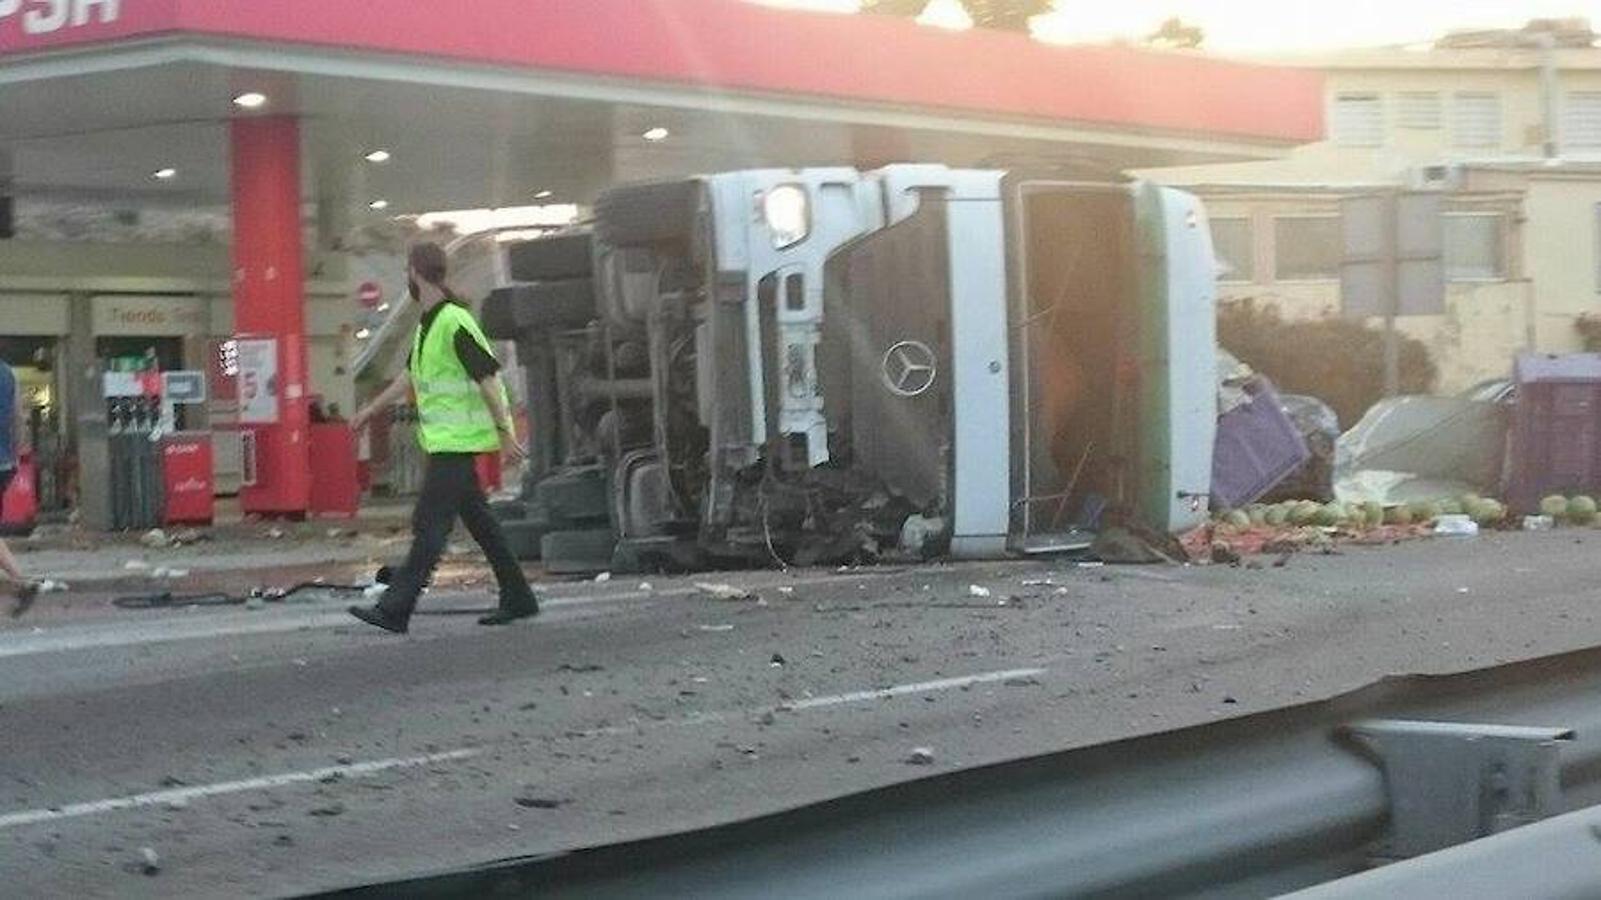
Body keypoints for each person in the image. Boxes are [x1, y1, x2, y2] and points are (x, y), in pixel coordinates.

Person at [346, 243, 541, 633]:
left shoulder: (454, 321)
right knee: (482, 523)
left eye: (408, 270)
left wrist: (505, 432)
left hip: (457, 440)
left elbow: (488, 379)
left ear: (415, 272)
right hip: (447, 440)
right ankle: (519, 596)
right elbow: (410, 378)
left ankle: (395, 608)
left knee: (430, 524)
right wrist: (370, 411)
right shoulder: (428, 325)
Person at [0, 358, 40, 616]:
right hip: (5, 463)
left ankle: (21, 582)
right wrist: (15, 454)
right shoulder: (7, 372)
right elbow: (18, 417)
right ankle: (22, 583)